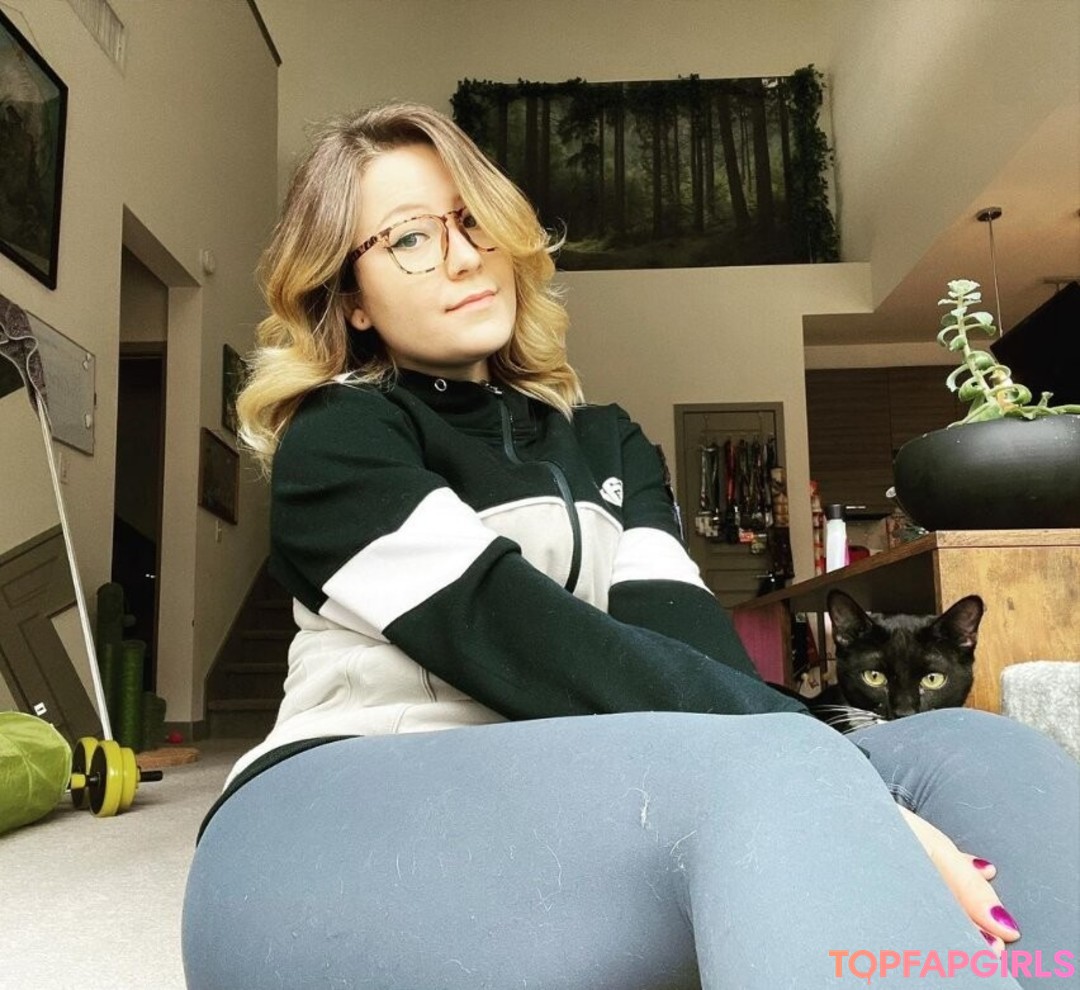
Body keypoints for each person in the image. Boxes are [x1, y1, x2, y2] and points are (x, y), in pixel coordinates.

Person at [182, 103, 1079, 990]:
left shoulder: (606, 440)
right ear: (350, 298)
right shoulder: (338, 435)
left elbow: (684, 638)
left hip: (587, 808)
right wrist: (835, 777)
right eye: (411, 238)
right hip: (340, 822)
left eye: (473, 219)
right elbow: (527, 637)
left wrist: (841, 772)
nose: (462, 256)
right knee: (782, 772)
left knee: (986, 752)